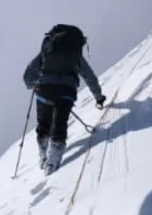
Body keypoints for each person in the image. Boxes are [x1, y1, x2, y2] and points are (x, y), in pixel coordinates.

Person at [23, 24, 106, 172]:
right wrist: (98, 97)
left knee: (44, 125)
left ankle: (43, 155)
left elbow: (28, 75)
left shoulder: (47, 50)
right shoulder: (75, 55)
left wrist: (33, 85)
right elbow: (89, 76)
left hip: (44, 90)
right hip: (66, 92)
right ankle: (53, 161)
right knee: (59, 124)